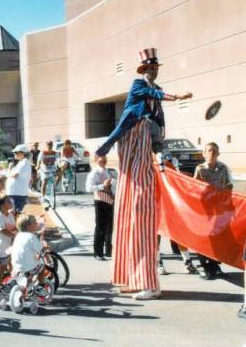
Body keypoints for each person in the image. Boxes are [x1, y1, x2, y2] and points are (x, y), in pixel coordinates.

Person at [96, 48, 193, 300]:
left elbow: (158, 133)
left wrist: (162, 155)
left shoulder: (153, 111)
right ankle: (132, 278)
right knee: (127, 216)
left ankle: (149, 282)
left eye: (155, 68)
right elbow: (152, 93)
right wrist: (175, 96)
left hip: (141, 163)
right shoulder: (138, 86)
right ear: (143, 71)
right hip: (129, 158)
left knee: (141, 216)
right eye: (149, 68)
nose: (153, 71)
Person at [193, 142, 233, 280]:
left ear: (218, 153)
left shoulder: (223, 168)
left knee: (217, 237)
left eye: (214, 151)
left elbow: (229, 185)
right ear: (204, 153)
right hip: (204, 209)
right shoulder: (200, 169)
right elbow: (194, 188)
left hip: (218, 208)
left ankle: (215, 265)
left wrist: (225, 196)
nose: (211, 153)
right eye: (208, 151)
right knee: (204, 237)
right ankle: (204, 265)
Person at [85, 155, 115, 260]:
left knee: (109, 227)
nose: (103, 160)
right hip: (100, 201)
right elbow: (88, 188)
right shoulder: (94, 173)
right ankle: (98, 252)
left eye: (104, 157)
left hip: (110, 201)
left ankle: (108, 251)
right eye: (100, 158)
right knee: (100, 228)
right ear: (96, 160)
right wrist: (103, 186)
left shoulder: (107, 171)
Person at [0, 195, 17, 299]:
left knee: (13, 265)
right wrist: (14, 235)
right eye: (8, 201)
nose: (11, 203)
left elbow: (14, 227)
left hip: (9, 246)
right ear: (2, 205)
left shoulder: (10, 215)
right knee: (1, 269)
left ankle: (12, 284)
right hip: (0, 247)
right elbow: (2, 230)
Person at [6, 144, 32, 214]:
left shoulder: (25, 162)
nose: (15, 154)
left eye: (17, 152)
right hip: (15, 192)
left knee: (14, 213)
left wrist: (9, 169)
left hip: (17, 193)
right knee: (13, 213)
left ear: (23, 153)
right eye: (14, 153)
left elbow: (14, 175)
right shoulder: (21, 163)